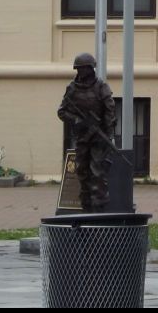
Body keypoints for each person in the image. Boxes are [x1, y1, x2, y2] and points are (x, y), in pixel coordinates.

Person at [56, 52, 116, 212]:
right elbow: (62, 112)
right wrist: (77, 121)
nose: (81, 72)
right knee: (82, 172)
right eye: (79, 69)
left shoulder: (101, 87)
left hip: (98, 138)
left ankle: (99, 209)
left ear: (91, 69)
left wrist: (107, 133)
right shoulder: (72, 88)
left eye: (84, 69)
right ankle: (86, 208)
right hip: (82, 137)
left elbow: (110, 112)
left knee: (97, 173)